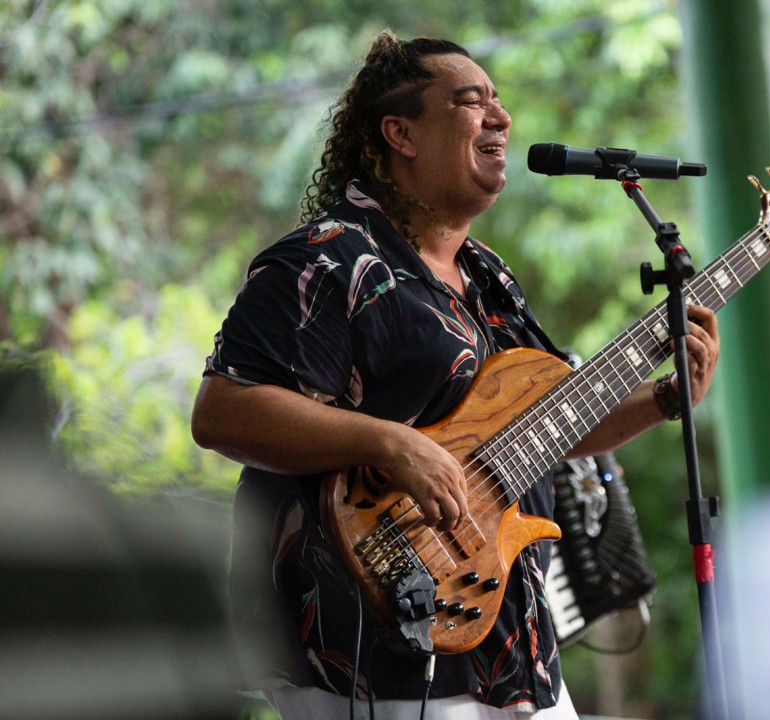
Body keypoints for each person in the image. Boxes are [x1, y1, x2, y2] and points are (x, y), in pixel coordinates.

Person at [191, 30, 719, 720]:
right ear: (400, 135)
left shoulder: (488, 276)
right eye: (472, 103)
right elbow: (223, 412)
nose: (499, 117)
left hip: (514, 647)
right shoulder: (327, 261)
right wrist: (389, 443)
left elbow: (545, 430)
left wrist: (661, 400)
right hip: (378, 665)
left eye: (499, 102)